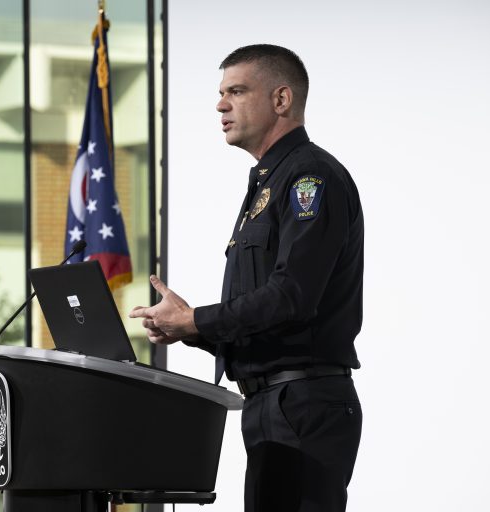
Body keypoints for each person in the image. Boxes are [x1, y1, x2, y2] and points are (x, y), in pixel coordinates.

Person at [129, 44, 363, 512]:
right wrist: (189, 328)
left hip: (302, 403)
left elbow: (292, 297)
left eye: (236, 91)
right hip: (271, 403)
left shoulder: (309, 177)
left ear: (281, 99)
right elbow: (267, 317)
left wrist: (197, 319)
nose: (221, 105)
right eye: (221, 93)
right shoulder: (269, 179)